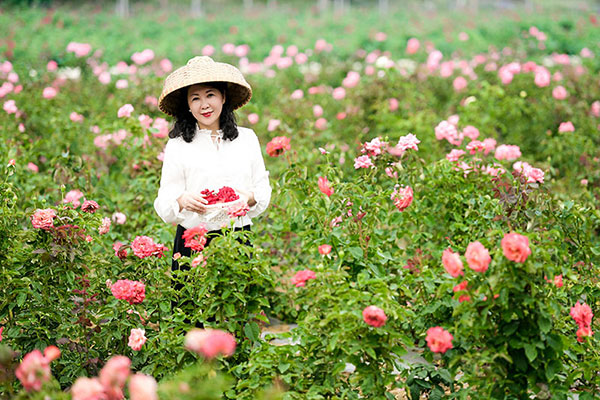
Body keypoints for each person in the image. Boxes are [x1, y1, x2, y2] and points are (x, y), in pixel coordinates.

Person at [153, 56, 272, 270]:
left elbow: (262, 188)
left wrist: (248, 198)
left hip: (237, 238)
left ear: (223, 97)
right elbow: (164, 202)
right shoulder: (178, 145)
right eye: (195, 98)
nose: (204, 105)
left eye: (210, 95)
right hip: (193, 240)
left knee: (237, 299)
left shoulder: (246, 139)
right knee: (190, 300)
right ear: (188, 106)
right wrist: (182, 200)